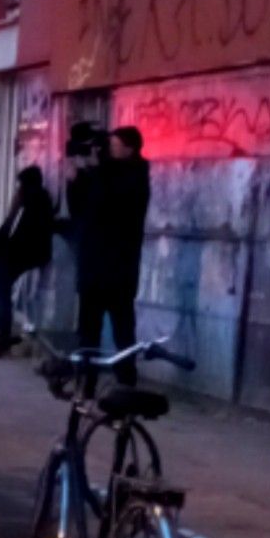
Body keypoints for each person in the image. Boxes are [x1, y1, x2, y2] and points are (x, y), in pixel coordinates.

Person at [67, 124, 151, 375]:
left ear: (130, 149)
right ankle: (86, 389)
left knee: (123, 335)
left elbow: (111, 205)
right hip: (93, 270)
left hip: (118, 273)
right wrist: (75, 180)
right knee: (88, 336)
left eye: (113, 146)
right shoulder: (102, 175)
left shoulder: (135, 175)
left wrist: (96, 169)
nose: (108, 151)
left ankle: (127, 386)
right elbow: (79, 211)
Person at [0, 164, 55, 356]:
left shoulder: (30, 202)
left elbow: (14, 230)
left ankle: (3, 337)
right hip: (23, 256)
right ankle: (2, 335)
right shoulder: (35, 201)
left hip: (19, 257)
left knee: (0, 294)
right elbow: (10, 226)